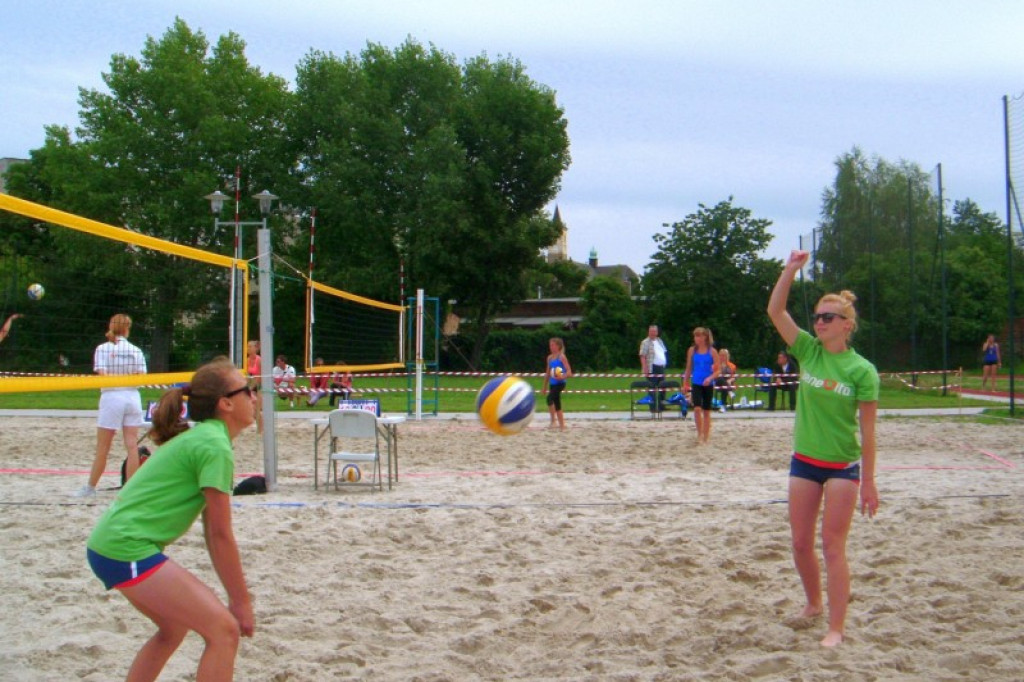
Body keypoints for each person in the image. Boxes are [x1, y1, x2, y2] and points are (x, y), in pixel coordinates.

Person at [85, 357, 255, 680]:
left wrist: (237, 597)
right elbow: (220, 535)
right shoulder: (214, 445)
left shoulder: (207, 438)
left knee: (173, 628)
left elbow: (212, 532)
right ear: (226, 403)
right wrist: (240, 602)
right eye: (248, 390)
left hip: (109, 544)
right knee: (224, 631)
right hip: (124, 547)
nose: (255, 396)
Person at [767, 250, 880, 648]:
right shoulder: (809, 350)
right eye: (817, 316)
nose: (819, 322)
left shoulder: (861, 370)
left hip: (842, 467)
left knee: (833, 546)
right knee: (800, 543)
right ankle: (813, 604)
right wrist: (790, 270)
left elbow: (868, 432)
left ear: (846, 325)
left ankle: (836, 628)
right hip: (804, 462)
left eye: (827, 317)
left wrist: (869, 482)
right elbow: (776, 311)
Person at [73, 314, 148, 498]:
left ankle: (90, 488)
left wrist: (118, 379)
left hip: (112, 397)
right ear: (127, 329)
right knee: (132, 446)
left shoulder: (103, 348)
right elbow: (142, 377)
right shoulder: (136, 350)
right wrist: (126, 378)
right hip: (132, 397)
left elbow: (103, 375)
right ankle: (130, 490)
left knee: (103, 447)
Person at [683, 327, 720, 443]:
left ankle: (706, 437)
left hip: (708, 384)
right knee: (697, 409)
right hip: (697, 383)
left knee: (707, 411)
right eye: (695, 336)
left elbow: (718, 371)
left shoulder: (712, 351)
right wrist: (685, 382)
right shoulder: (692, 350)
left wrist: (710, 378)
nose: (697, 338)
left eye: (699, 336)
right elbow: (689, 368)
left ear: (705, 337)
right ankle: (699, 434)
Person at [543, 337, 573, 430]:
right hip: (553, 383)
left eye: (553, 345)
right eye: (550, 345)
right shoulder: (549, 358)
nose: (551, 347)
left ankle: (554, 422)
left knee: (550, 399)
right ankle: (561, 425)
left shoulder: (562, 357)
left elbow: (569, 372)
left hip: (560, 383)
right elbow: (548, 373)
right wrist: (544, 387)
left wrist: (562, 376)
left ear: (558, 346)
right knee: (556, 402)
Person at [639, 324, 669, 412]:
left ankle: (662, 405)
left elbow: (663, 351)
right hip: (652, 367)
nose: (652, 333)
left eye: (654, 331)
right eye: (651, 331)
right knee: (652, 388)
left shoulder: (659, 341)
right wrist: (645, 367)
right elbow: (642, 355)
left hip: (661, 367)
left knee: (663, 386)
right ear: (648, 332)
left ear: (657, 332)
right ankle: (653, 407)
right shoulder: (645, 342)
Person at [246, 339, 263, 433]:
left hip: (260, 386)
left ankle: (260, 430)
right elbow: (248, 376)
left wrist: (251, 387)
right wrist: (246, 386)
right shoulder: (248, 360)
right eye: (247, 346)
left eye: (250, 346)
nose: (248, 348)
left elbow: (259, 377)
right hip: (253, 385)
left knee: (257, 410)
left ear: (255, 348)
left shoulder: (259, 360)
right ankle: (260, 428)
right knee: (253, 410)